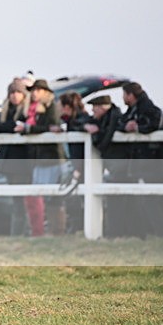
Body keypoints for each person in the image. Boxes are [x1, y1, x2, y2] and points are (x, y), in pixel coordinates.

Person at [14, 79, 66, 236]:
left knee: (52, 198)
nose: (34, 93)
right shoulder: (33, 109)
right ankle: (43, 231)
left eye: (38, 90)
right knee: (40, 197)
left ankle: (56, 231)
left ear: (45, 91)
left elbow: (52, 127)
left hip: (51, 158)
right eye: (33, 90)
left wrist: (30, 128)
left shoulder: (52, 107)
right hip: (40, 158)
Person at [120, 82, 163, 237]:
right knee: (152, 198)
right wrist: (127, 126)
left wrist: (137, 127)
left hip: (153, 163)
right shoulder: (134, 110)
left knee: (151, 199)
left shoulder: (148, 108)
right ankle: (158, 233)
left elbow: (154, 123)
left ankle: (161, 233)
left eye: (124, 94)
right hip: (149, 163)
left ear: (130, 95)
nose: (122, 98)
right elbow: (120, 122)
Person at [0, 79, 32, 236]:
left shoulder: (28, 112)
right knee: (16, 203)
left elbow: (13, 127)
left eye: (18, 92)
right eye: (12, 93)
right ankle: (17, 234)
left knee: (22, 203)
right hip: (8, 163)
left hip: (22, 164)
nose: (14, 96)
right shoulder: (6, 111)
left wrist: (1, 127)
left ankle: (20, 234)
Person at [85, 95, 130, 238]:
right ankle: (114, 233)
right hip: (115, 166)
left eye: (95, 107)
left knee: (118, 203)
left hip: (120, 166)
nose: (92, 110)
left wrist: (97, 134)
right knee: (114, 202)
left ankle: (117, 233)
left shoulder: (114, 119)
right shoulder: (105, 119)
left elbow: (104, 141)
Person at [58, 91, 91, 234]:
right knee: (75, 197)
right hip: (79, 165)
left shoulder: (81, 120)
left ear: (68, 107)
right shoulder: (72, 122)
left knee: (78, 197)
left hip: (82, 165)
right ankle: (78, 226)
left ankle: (81, 226)